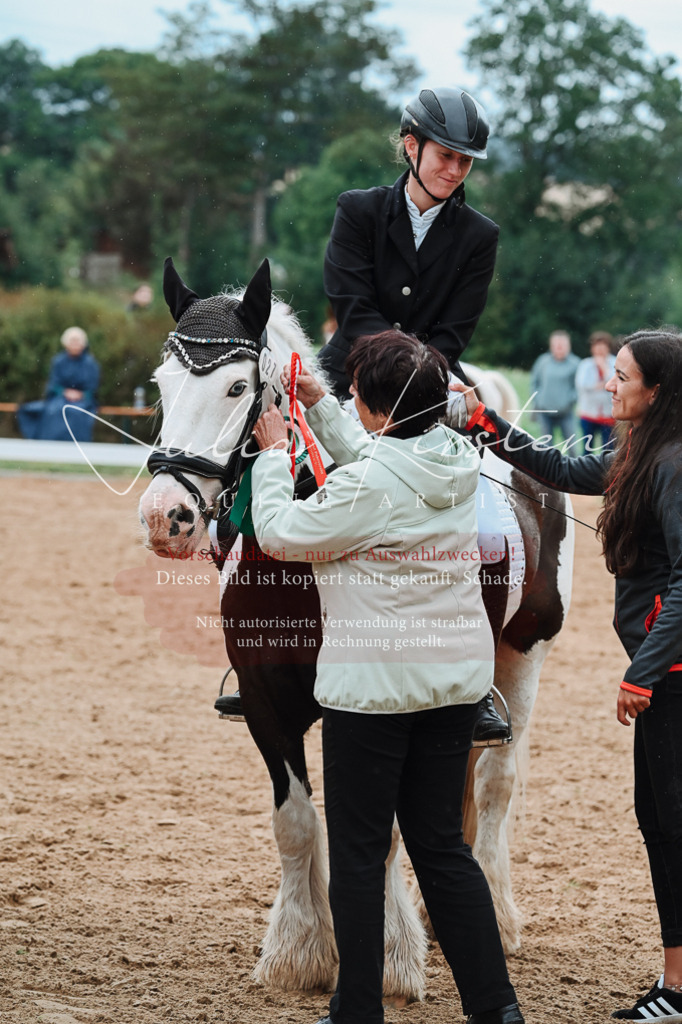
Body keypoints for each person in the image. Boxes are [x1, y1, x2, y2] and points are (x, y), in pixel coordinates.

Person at [249, 332, 524, 1024]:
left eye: (354, 395)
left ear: (377, 409)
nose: (349, 400)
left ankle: (358, 1013)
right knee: (442, 848)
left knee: (360, 855)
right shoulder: (455, 456)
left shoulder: (368, 485)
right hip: (453, 686)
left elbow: (279, 533)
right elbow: (382, 465)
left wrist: (275, 455)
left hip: (372, 693)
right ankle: (496, 1008)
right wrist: (324, 408)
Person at [452, 327, 682, 1023]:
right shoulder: (636, 452)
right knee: (658, 818)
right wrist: (486, 421)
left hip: (672, 672)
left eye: (622, 376)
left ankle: (677, 989)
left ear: (657, 392)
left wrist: (644, 673)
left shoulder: (674, 464)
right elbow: (556, 467)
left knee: (671, 821)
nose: (607, 384)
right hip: (662, 667)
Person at [319, 85, 498, 396]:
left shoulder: (480, 235)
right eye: (446, 155)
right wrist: (399, 368)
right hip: (348, 372)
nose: (455, 171)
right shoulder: (357, 210)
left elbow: (454, 332)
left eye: (465, 160)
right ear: (412, 145)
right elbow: (353, 309)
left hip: (430, 380)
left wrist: (415, 380)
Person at [16, 326, 100, 442]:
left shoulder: (90, 364)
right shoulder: (58, 361)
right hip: (60, 398)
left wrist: (80, 394)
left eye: (77, 341)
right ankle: (50, 443)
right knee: (53, 411)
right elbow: (54, 383)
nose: (75, 345)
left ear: (83, 344)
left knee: (75, 412)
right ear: (66, 344)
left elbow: (92, 387)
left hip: (83, 401)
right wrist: (64, 392)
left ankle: (77, 444)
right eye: (72, 341)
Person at [529, 329, 580, 447]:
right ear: (551, 346)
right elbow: (534, 383)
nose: (559, 348)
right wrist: (538, 400)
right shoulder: (542, 362)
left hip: (566, 413)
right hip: (545, 412)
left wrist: (570, 400)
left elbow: (578, 387)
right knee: (546, 447)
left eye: (562, 345)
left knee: (572, 446)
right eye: (557, 345)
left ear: (568, 346)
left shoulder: (575, 364)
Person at [575, 330, 616, 452]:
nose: (599, 351)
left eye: (603, 347)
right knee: (587, 449)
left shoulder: (615, 362)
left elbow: (615, 383)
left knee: (608, 449)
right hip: (588, 413)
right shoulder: (585, 364)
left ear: (608, 348)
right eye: (597, 347)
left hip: (609, 414)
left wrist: (604, 369)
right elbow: (581, 384)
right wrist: (601, 385)